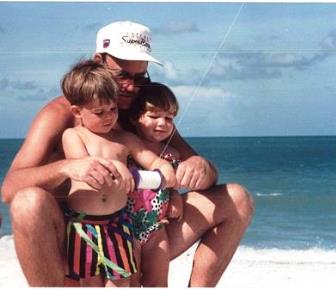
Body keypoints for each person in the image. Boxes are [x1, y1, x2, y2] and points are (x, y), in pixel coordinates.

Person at [1, 21, 254, 287]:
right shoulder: (60, 114)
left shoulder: (145, 112)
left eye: (140, 78)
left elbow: (201, 173)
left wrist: (200, 165)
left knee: (237, 199)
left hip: (138, 233)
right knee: (28, 202)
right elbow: (10, 189)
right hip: (80, 243)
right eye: (122, 75)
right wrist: (68, 168)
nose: (131, 87)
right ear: (98, 60)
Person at [60, 60, 177, 286]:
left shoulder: (126, 140)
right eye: (99, 112)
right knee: (90, 283)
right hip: (83, 225)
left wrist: (164, 170)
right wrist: (118, 168)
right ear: (77, 111)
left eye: (112, 109)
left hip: (117, 223)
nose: (108, 116)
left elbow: (152, 160)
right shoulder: (74, 136)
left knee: (121, 282)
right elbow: (84, 166)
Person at [126, 82, 183, 286]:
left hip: (156, 229)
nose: (162, 123)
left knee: (158, 282)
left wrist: (176, 198)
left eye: (169, 118)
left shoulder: (171, 155)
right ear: (135, 118)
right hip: (126, 228)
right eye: (154, 116)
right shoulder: (127, 149)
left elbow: (172, 183)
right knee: (130, 281)